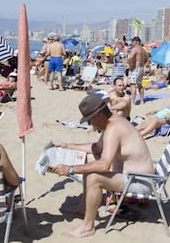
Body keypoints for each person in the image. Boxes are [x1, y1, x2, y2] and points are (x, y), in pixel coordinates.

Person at [52, 94, 154, 237]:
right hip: (132, 175)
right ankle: (83, 207)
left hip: (140, 182)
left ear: (98, 115)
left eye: (90, 120)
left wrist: (70, 169)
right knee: (89, 159)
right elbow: (97, 149)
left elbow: (104, 165)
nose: (90, 124)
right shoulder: (113, 122)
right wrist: (67, 146)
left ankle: (88, 227)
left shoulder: (114, 128)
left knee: (94, 177)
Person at [128, 36, 149, 105]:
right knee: (140, 85)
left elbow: (131, 57)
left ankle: (132, 102)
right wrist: (142, 63)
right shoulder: (143, 50)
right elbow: (147, 59)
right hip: (141, 68)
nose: (132, 43)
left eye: (133, 41)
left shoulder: (135, 49)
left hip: (135, 68)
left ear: (137, 42)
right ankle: (142, 101)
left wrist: (131, 65)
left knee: (133, 85)